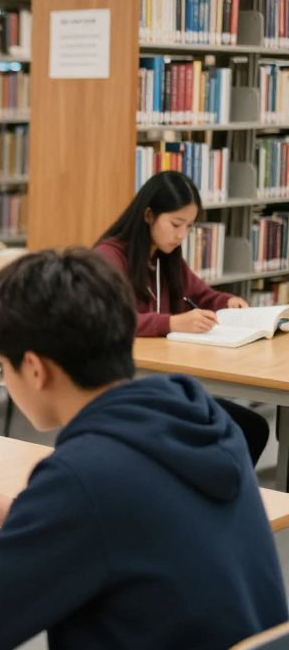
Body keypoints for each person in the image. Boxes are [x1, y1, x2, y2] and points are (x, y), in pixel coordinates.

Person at [0, 249, 287, 650]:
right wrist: (27, 513)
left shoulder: (85, 478)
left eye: (0, 370)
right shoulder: (193, 415)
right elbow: (137, 516)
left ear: (34, 368)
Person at [94, 170, 269, 465]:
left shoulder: (166, 257)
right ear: (149, 215)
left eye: (188, 226)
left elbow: (202, 294)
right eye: (176, 224)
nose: (181, 235)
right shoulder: (109, 257)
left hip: (165, 382)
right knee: (242, 430)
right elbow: (108, 320)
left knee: (250, 428)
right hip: (124, 385)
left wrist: (228, 302)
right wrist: (171, 323)